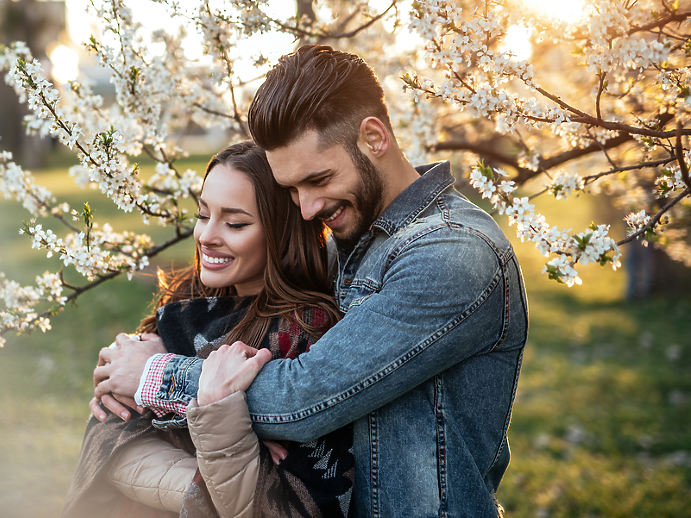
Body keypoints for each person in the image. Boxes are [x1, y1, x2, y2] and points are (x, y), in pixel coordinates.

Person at [93, 45, 530, 517]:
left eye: (318, 179)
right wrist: (141, 351)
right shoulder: (348, 239)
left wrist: (154, 376)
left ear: (374, 138)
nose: (306, 209)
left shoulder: (452, 252)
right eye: (291, 189)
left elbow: (302, 398)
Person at [62, 141, 354, 518]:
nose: (207, 236)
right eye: (203, 215)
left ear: (282, 232)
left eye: (235, 223)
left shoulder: (306, 332)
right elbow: (110, 431)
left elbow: (280, 501)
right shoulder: (186, 303)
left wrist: (167, 406)